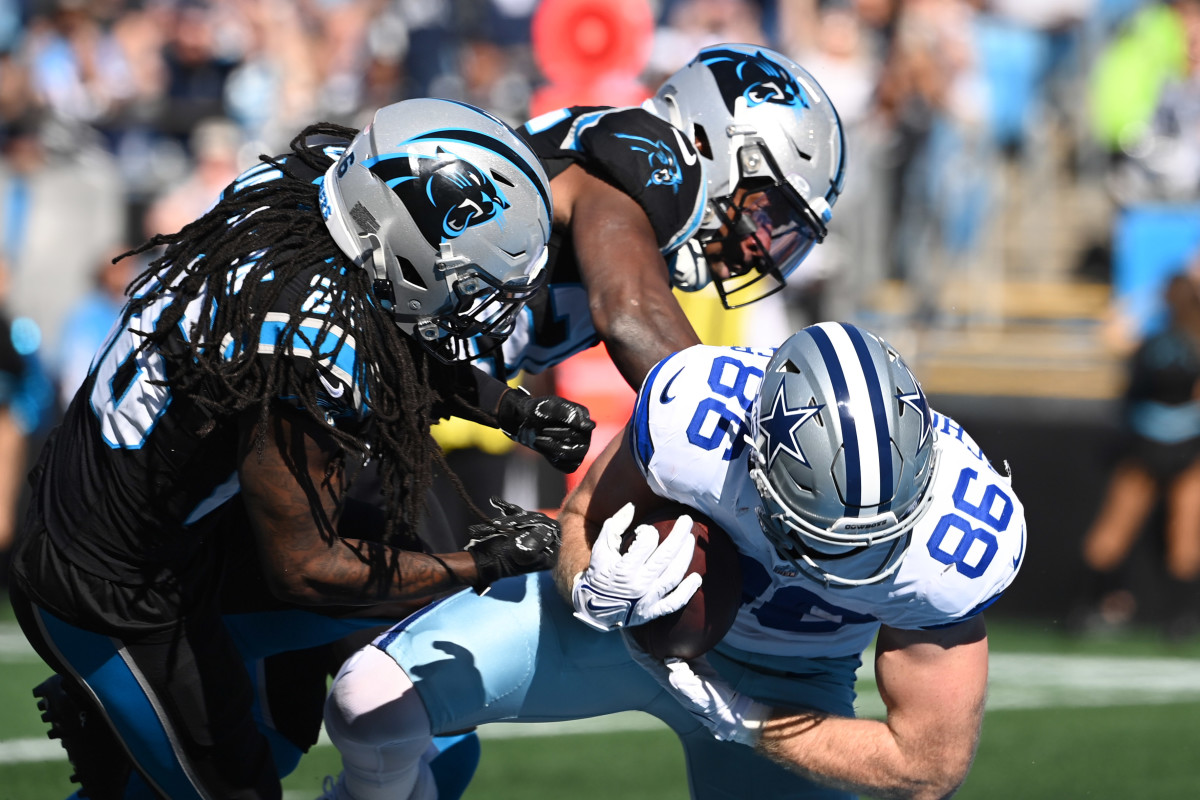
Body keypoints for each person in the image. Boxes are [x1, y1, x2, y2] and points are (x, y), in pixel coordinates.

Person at [8, 98, 595, 800]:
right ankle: (107, 712)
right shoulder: (300, 341)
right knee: (242, 789)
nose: (475, 301)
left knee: (285, 729)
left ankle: (117, 738)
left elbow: (386, 335)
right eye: (466, 276)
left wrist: (512, 410)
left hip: (157, 518)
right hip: (114, 584)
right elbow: (307, 569)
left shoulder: (303, 194)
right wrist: (488, 560)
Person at [320, 321, 1027, 800]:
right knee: (369, 706)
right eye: (818, 530)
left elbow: (928, 766)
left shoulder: (958, 540)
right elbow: (580, 521)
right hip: (623, 630)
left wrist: (744, 715)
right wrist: (591, 583)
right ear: (757, 459)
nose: (839, 557)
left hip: (793, 684)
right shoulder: (699, 417)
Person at [480, 42, 846, 389]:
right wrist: (745, 426)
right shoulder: (653, 154)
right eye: (765, 210)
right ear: (712, 142)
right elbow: (630, 317)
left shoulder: (652, 242)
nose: (761, 242)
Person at [1076, 271, 1200, 636]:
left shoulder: (1149, 343)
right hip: (1188, 451)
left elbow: (1127, 387)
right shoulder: (1192, 342)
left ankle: (1084, 609)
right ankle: (1181, 620)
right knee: (1185, 536)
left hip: (1144, 449)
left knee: (1113, 530)